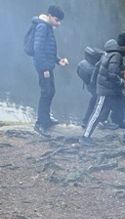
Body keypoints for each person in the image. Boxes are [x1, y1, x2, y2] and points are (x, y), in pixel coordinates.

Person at [80, 33, 125, 146]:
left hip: (112, 90)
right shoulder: (116, 56)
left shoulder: (107, 52)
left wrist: (93, 83)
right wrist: (123, 82)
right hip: (106, 90)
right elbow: (111, 74)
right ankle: (85, 137)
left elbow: (97, 66)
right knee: (97, 113)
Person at [28, 5, 69, 137]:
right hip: (43, 67)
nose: (59, 23)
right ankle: (40, 124)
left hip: (47, 65)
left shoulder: (47, 27)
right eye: (57, 20)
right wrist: (44, 68)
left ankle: (46, 119)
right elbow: (38, 50)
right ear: (50, 16)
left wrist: (58, 60)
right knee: (46, 92)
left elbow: (48, 49)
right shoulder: (42, 27)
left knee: (51, 91)